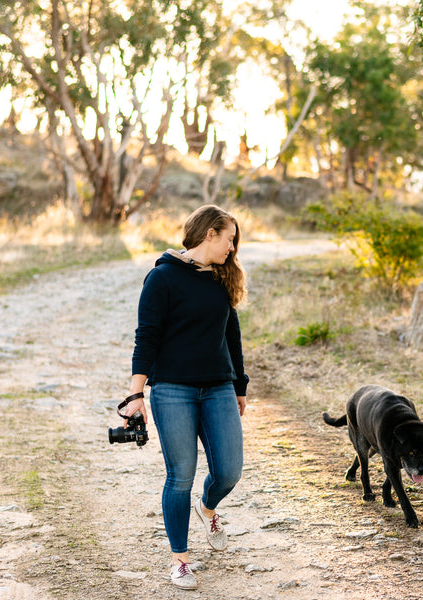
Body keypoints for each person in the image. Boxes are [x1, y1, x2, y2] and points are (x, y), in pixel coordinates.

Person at [122, 204, 249, 590]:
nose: (232, 249)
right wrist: (135, 394)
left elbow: (232, 335)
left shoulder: (222, 279)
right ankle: (180, 560)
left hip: (218, 388)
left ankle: (207, 508)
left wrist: (239, 385)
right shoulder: (161, 278)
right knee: (181, 475)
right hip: (172, 389)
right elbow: (147, 337)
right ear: (209, 234)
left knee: (229, 471)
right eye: (229, 240)